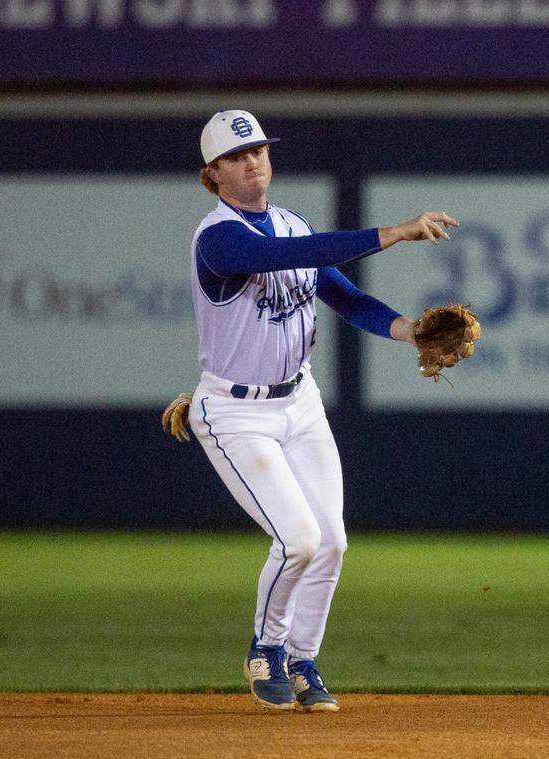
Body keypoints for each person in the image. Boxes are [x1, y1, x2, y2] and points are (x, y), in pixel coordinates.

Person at [187, 110, 458, 711]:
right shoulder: (218, 237)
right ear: (213, 173)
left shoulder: (288, 221)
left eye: (257, 148)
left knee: (331, 541)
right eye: (236, 155)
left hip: (299, 402)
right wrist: (391, 233)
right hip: (237, 415)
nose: (252, 160)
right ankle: (266, 649)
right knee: (299, 540)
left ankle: (304, 660)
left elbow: (344, 296)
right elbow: (298, 254)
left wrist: (408, 330)